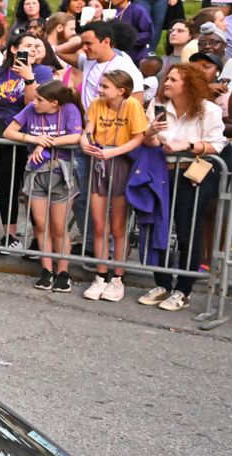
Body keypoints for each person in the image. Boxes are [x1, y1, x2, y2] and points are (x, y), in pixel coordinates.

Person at [139, 63, 226, 312]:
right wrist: (150, 133)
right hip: (161, 171)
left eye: (173, 80)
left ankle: (183, 289)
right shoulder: (157, 106)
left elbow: (217, 144)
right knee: (159, 227)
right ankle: (162, 283)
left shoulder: (208, 109)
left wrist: (187, 145)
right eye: (167, 78)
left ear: (188, 85)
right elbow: (151, 141)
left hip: (194, 171)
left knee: (188, 231)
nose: (166, 83)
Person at [4, 81, 84, 292]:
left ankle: (63, 272)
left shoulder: (69, 109)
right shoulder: (31, 109)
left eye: (40, 99)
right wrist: (33, 138)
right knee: (41, 225)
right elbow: (8, 132)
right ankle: (46, 270)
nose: (34, 102)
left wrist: (46, 143)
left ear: (54, 103)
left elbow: (76, 135)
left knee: (59, 227)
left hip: (61, 173)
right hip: (36, 173)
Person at [0, 33, 56, 253]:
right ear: (14, 49)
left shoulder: (42, 72)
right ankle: (10, 235)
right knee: (6, 186)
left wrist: (29, 78)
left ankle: (37, 239)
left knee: (33, 189)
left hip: (30, 136)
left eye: (35, 46)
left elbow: (32, 103)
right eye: (27, 46)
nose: (32, 49)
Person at [78, 69, 146, 301]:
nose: (100, 89)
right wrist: (84, 140)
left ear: (121, 90)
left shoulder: (132, 106)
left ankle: (118, 278)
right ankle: (100, 274)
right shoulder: (97, 104)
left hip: (121, 163)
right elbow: (88, 129)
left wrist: (114, 152)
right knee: (99, 225)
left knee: (118, 226)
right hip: (100, 161)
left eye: (105, 86)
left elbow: (138, 137)